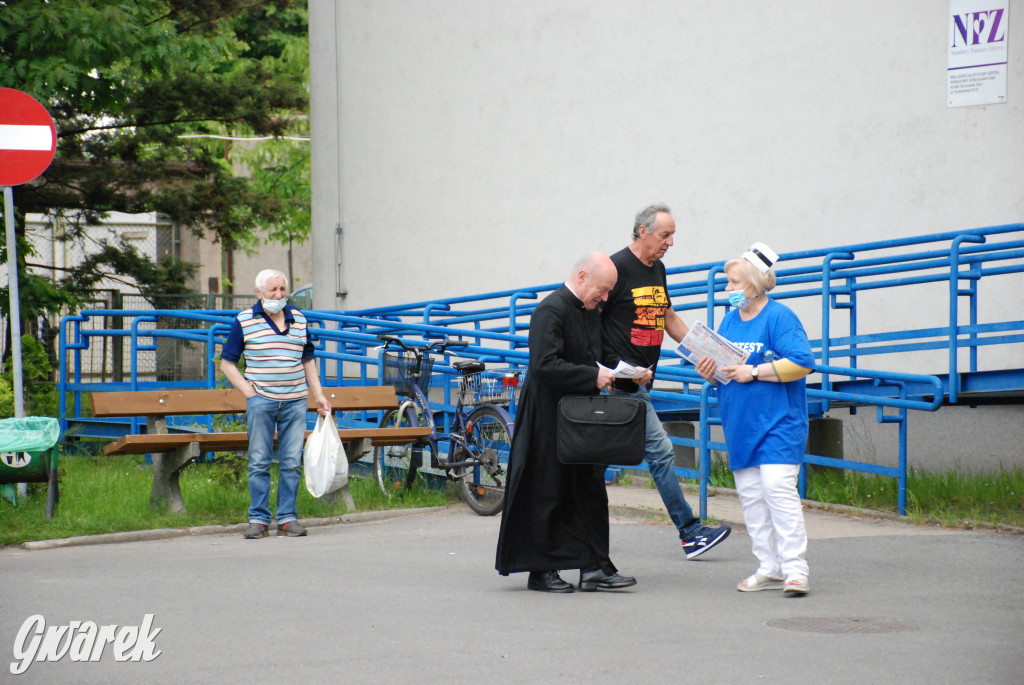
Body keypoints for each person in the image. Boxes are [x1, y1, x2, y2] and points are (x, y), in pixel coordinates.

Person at [496, 252, 637, 593]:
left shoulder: (588, 310)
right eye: (602, 290)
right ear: (582, 277)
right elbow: (545, 366)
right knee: (548, 491)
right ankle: (541, 570)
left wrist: (628, 375)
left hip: (579, 413)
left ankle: (594, 568)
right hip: (547, 414)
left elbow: (598, 356)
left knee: (588, 490)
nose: (604, 298)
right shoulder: (550, 310)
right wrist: (595, 376)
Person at [601, 203, 731, 558]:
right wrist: (614, 370)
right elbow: (593, 323)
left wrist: (704, 352)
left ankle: (562, 525)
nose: (671, 243)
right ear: (643, 232)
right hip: (621, 384)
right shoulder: (615, 269)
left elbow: (667, 316)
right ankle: (690, 532)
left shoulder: (656, 269)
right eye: (665, 235)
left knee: (593, 458)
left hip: (644, 381)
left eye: (673, 235)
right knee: (661, 451)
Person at [695, 243, 815, 595]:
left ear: (754, 284)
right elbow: (727, 371)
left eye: (733, 283)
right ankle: (770, 566)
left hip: (779, 421)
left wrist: (756, 371)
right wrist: (710, 372)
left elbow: (802, 362)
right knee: (751, 496)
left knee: (777, 490)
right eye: (727, 284)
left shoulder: (779, 317)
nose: (728, 291)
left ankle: (796, 568)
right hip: (741, 422)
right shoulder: (730, 320)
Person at [221, 269, 331, 539]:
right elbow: (227, 362)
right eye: (273, 290)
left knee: (292, 462)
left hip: (295, 401)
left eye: (282, 289)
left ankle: (287, 518)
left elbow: (307, 360)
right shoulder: (245, 320)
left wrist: (318, 395)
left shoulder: (299, 319)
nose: (279, 295)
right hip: (262, 401)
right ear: (259, 293)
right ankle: (258, 520)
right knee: (259, 461)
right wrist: (249, 392)